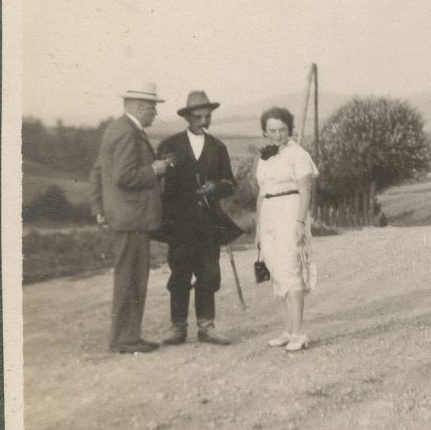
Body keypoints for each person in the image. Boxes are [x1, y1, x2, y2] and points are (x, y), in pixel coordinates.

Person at [154, 91, 243, 346]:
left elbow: (229, 184)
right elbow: (158, 183)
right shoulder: (169, 145)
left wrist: (215, 186)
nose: (204, 121)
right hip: (179, 222)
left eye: (208, 117)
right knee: (179, 272)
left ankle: (207, 326)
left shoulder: (218, 147)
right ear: (188, 117)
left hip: (208, 223)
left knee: (208, 273)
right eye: (199, 117)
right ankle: (177, 327)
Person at [89, 84, 170, 354]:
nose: (155, 112)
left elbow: (99, 171)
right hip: (132, 218)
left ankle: (127, 334)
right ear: (137, 107)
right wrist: (155, 170)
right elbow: (124, 176)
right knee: (131, 278)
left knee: (129, 276)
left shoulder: (118, 129)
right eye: (152, 107)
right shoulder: (127, 133)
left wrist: (99, 207)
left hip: (126, 217)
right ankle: (125, 337)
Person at [254, 107, 319, 352]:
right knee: (276, 271)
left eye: (282, 129)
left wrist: (300, 223)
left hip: (290, 212)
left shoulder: (298, 154)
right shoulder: (264, 156)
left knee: (290, 271)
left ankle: (299, 332)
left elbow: (305, 191)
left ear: (289, 130)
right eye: (272, 130)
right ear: (265, 132)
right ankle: (288, 329)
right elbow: (262, 194)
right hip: (269, 213)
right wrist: (259, 229)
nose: (278, 134)